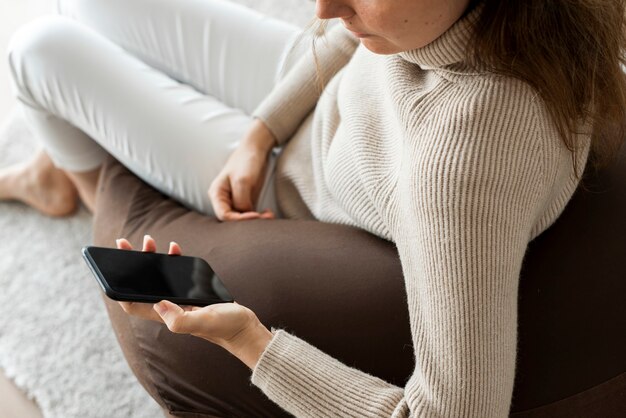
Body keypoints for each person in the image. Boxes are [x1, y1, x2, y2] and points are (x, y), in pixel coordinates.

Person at [2, 0, 625, 416]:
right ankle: (56, 165)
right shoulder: (506, 20)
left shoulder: (462, 163)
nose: (324, 6)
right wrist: (261, 130)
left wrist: (251, 341)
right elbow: (345, 41)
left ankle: (70, 187)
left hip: (289, 182)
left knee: (37, 53)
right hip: (320, 110)